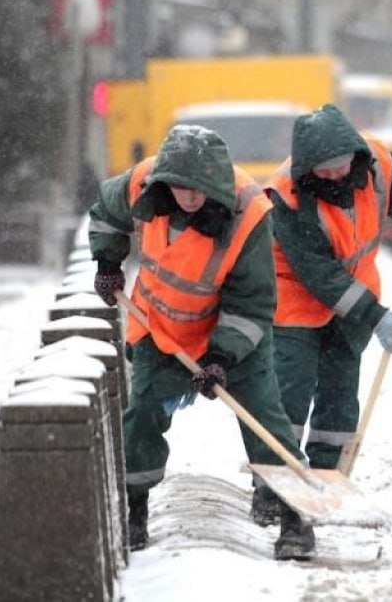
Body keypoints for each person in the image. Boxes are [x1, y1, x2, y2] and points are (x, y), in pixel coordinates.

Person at [87, 124, 316, 560]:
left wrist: (220, 356)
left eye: (197, 190)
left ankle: (295, 518)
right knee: (141, 417)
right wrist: (107, 260)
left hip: (234, 340)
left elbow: (251, 304)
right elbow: (105, 211)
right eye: (179, 188)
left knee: (263, 421)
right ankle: (134, 512)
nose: (188, 198)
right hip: (161, 330)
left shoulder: (249, 216)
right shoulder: (144, 183)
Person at [255, 103, 392, 523]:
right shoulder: (287, 196)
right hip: (296, 305)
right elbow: (320, 276)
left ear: (353, 156)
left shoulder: (376, 161)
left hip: (354, 300)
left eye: (340, 167)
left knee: (340, 398)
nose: (333, 176)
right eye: (323, 170)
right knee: (288, 399)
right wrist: (375, 315)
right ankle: (274, 490)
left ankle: (328, 480)